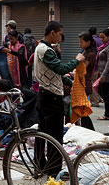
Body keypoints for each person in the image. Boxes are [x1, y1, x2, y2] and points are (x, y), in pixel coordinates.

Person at [34, 21, 85, 175]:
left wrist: (71, 82)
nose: (60, 37)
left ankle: (40, 165)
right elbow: (61, 68)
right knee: (54, 136)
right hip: (51, 99)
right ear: (52, 33)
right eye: (59, 33)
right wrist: (77, 60)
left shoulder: (43, 48)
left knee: (42, 133)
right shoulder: (45, 50)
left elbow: (56, 74)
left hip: (44, 96)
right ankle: (53, 170)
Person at [96, 29, 109, 121]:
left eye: (103, 37)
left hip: (108, 75)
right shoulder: (103, 46)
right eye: (100, 37)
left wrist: (104, 74)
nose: (101, 39)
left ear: (108, 37)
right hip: (102, 73)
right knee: (102, 92)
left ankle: (108, 114)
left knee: (106, 94)